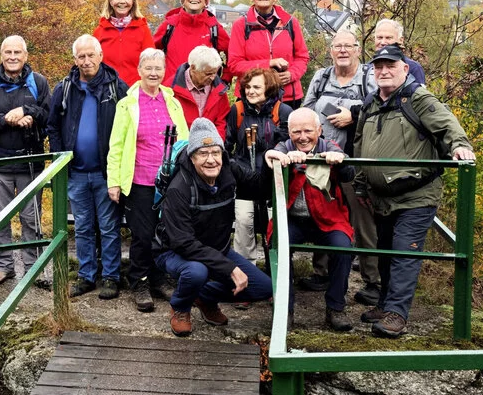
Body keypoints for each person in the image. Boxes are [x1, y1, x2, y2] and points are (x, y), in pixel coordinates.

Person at [354, 45, 475, 338]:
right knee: (384, 252)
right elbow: (359, 144)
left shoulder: (418, 98)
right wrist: (360, 184)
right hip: (381, 197)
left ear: (404, 69)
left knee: (403, 253)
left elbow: (447, 125)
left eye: (390, 66)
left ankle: (397, 314)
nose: (383, 72)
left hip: (417, 195)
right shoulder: (370, 102)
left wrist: (460, 145)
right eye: (378, 67)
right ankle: (385, 304)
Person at [152, 118, 273, 337]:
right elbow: (184, 242)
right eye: (203, 154)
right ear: (192, 157)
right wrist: (229, 268)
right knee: (197, 271)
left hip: (217, 249)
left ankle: (204, 297)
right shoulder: (179, 188)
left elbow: (259, 188)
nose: (211, 160)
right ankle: (180, 306)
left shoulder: (229, 171)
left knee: (263, 287)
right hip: (174, 251)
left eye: (215, 153)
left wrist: (268, 160)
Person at [301, 30, 379, 304]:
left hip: (356, 162)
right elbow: (306, 112)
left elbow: (380, 111)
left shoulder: (370, 77)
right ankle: (321, 273)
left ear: (358, 50)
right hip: (323, 159)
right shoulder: (321, 77)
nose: (343, 50)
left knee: (362, 219)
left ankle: (373, 281)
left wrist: (353, 115)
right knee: (324, 211)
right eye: (338, 46)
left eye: (348, 46)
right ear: (331, 50)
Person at [108, 48, 189, 313]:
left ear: (164, 71)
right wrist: (114, 181)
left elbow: (184, 142)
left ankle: (158, 278)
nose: (153, 73)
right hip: (140, 180)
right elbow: (116, 146)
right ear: (140, 70)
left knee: (165, 233)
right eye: (148, 68)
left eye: (158, 68)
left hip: (170, 181)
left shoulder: (172, 102)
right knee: (142, 235)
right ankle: (139, 280)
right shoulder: (127, 104)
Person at [48, 35, 127, 300]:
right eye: (81, 56)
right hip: (77, 172)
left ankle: (111, 276)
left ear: (101, 55)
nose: (87, 61)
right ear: (75, 59)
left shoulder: (117, 87)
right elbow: (53, 126)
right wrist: (61, 159)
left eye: (91, 55)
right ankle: (86, 276)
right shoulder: (65, 88)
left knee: (108, 226)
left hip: (107, 173)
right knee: (82, 227)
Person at [264, 108, 355, 332]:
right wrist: (277, 158)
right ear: (289, 132)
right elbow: (269, 159)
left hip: (327, 219)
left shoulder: (328, 147)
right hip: (293, 219)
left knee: (343, 247)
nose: (302, 137)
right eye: (296, 132)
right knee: (278, 245)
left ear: (319, 130)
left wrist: (339, 161)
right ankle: (285, 309)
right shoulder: (284, 147)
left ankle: (335, 307)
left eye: (307, 131)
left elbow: (350, 172)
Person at [0, 35, 51, 285]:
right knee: (0, 219)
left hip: (30, 161)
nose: (13, 57)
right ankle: (2, 266)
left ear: (26, 55)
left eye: (18, 52)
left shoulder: (38, 82)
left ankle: (33, 266)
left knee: (31, 217)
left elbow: (49, 116)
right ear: (1, 55)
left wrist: (28, 113)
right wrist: (6, 119)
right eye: (8, 52)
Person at [224, 67, 291, 263]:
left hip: (271, 179)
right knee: (244, 223)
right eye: (247, 87)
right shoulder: (237, 110)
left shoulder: (283, 111)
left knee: (273, 225)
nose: (250, 91)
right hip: (243, 179)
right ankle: (246, 273)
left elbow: (288, 144)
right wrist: (234, 167)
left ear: (268, 88)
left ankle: (275, 271)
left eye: (256, 87)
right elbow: (228, 145)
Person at [227, 0, 309, 109]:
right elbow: (235, 65)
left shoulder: (290, 23)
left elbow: (302, 57)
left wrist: (291, 74)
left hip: (287, 96)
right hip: (251, 97)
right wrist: (268, 64)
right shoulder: (241, 25)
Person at [153, 0, 230, 80]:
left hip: (203, 89)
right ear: (183, 0)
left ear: (205, 1)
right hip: (172, 89)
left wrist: (226, 77)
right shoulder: (170, 25)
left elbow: (231, 52)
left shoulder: (213, 27)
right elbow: (151, 50)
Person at [93, 0, 154, 88]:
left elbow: (151, 63)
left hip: (135, 90)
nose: (122, 1)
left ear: (133, 1)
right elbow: (93, 63)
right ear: (111, 1)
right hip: (107, 91)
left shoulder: (142, 29)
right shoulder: (100, 31)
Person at [171, 45, 231, 141]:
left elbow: (221, 122)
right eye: (208, 74)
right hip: (179, 147)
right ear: (193, 68)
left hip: (210, 147)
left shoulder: (219, 90)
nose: (212, 77)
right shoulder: (170, 90)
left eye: (215, 73)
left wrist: (213, 144)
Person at [370, 19, 426, 86]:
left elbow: (418, 95)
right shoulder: (367, 68)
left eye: (388, 38)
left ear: (400, 40)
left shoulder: (413, 68)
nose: (383, 42)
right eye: (379, 38)